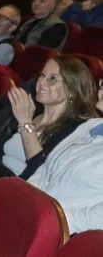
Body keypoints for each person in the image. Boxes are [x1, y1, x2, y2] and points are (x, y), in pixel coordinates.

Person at [0, 56, 98, 180]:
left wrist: (25, 122)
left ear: (72, 90)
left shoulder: (73, 131)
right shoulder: (31, 112)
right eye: (42, 75)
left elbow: (39, 172)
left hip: (15, 197)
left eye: (52, 79)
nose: (41, 82)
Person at [28, 80, 103, 234]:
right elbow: (45, 169)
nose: (101, 89)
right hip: (32, 210)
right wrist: (25, 196)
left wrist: (56, 219)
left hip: (56, 233)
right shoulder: (91, 125)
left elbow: (98, 217)